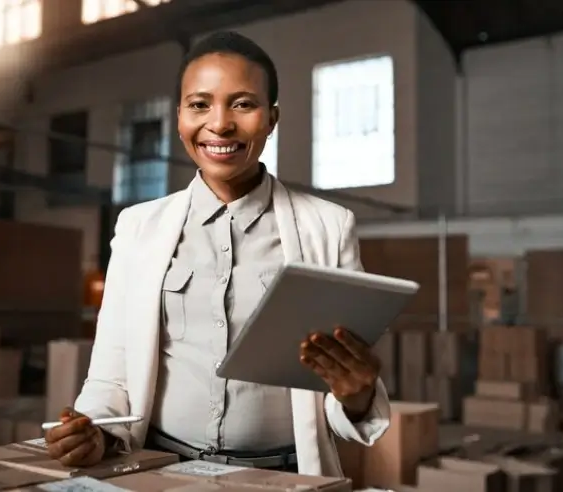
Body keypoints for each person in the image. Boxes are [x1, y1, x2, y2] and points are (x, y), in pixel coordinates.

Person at [44, 31, 390, 477]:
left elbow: (345, 392)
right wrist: (97, 430)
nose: (220, 124)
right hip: (161, 467)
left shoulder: (328, 226)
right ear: (179, 117)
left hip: (281, 475)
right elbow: (112, 370)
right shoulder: (138, 227)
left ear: (272, 118)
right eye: (200, 104)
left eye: (243, 104)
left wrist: (357, 395)